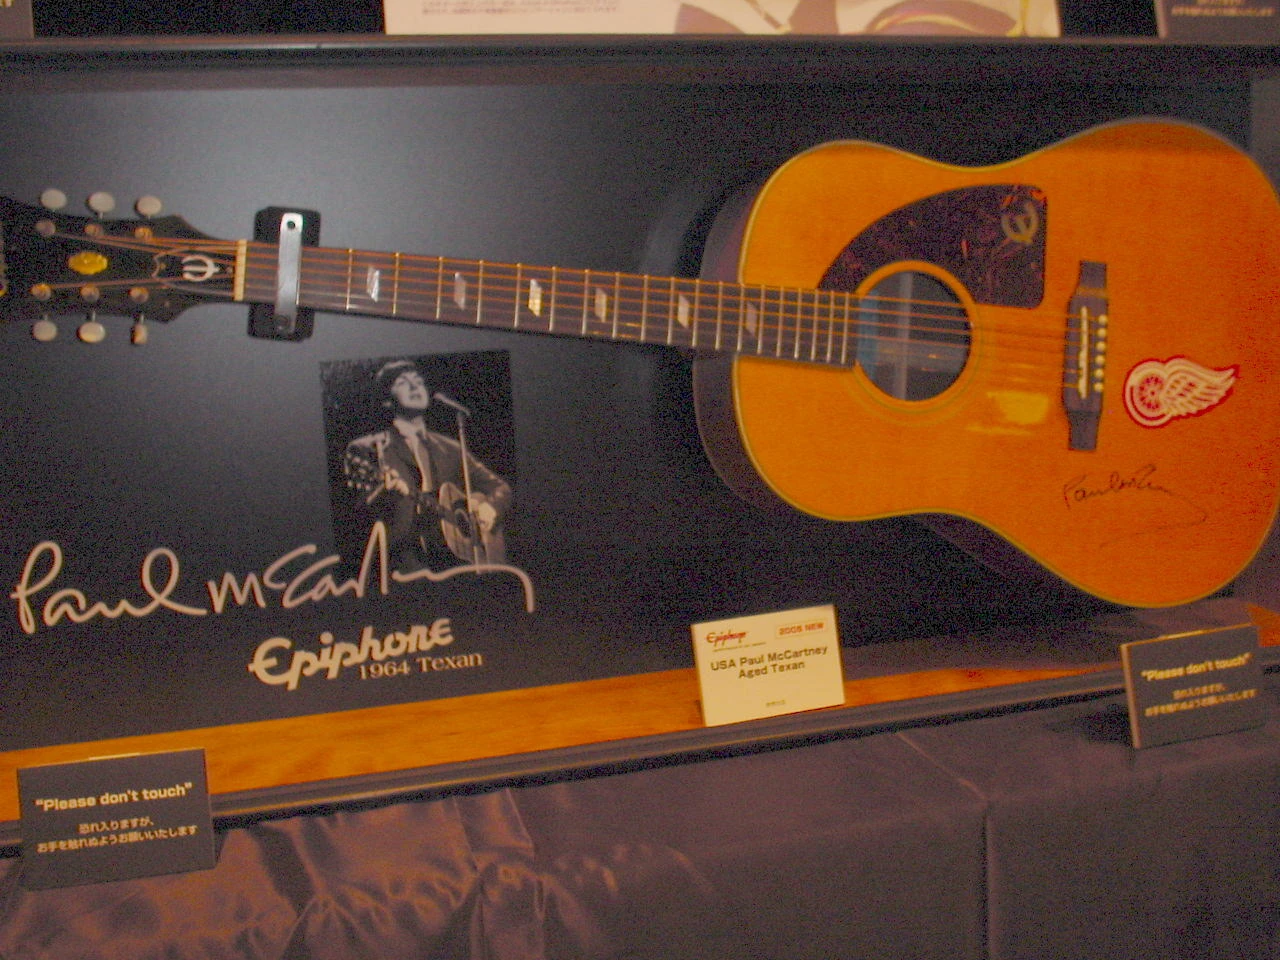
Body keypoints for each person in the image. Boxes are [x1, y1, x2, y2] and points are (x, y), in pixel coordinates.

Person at [343, 359, 512, 570]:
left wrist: (491, 507)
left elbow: (500, 488)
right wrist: (384, 491)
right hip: (402, 564)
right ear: (387, 400)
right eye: (403, 382)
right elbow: (356, 516)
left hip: (458, 563)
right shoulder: (369, 448)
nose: (415, 386)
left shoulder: (451, 448)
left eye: (418, 381)